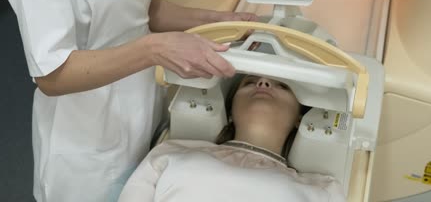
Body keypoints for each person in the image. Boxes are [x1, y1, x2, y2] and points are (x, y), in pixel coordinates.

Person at [0, 0, 257, 202]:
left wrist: (218, 20)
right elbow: (52, 75)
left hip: (142, 104)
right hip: (86, 135)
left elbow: (141, 6)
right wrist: (153, 50)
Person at [118, 75, 346, 202]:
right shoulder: (171, 152)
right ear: (229, 110)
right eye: (249, 82)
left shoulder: (323, 189)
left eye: (283, 86)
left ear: (300, 118)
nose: (263, 83)